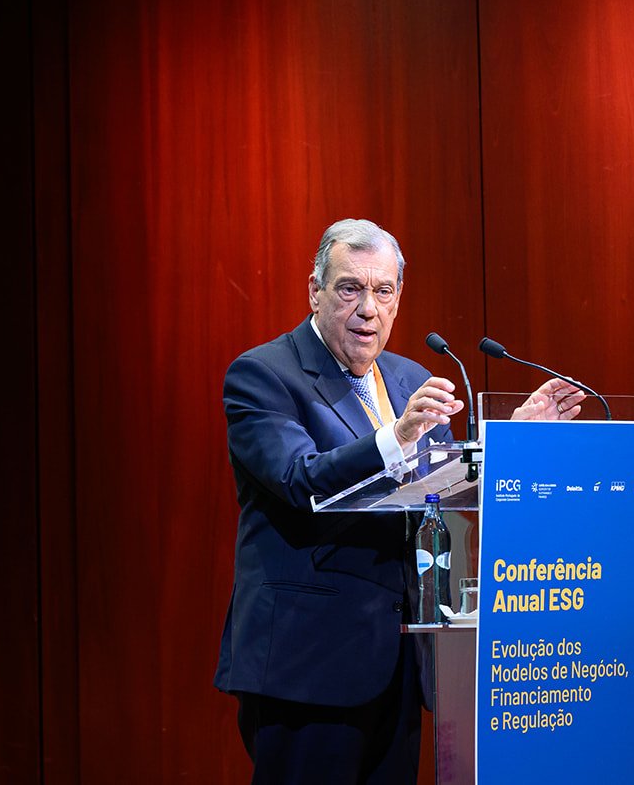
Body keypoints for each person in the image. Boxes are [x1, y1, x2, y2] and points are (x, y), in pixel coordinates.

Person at [215, 218, 582, 784]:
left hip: (402, 659)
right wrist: (397, 437)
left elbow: (440, 487)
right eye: (349, 288)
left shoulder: (409, 378)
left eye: (383, 291)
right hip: (307, 665)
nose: (368, 308)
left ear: (398, 300)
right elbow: (298, 478)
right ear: (314, 291)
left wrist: (512, 442)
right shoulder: (264, 375)